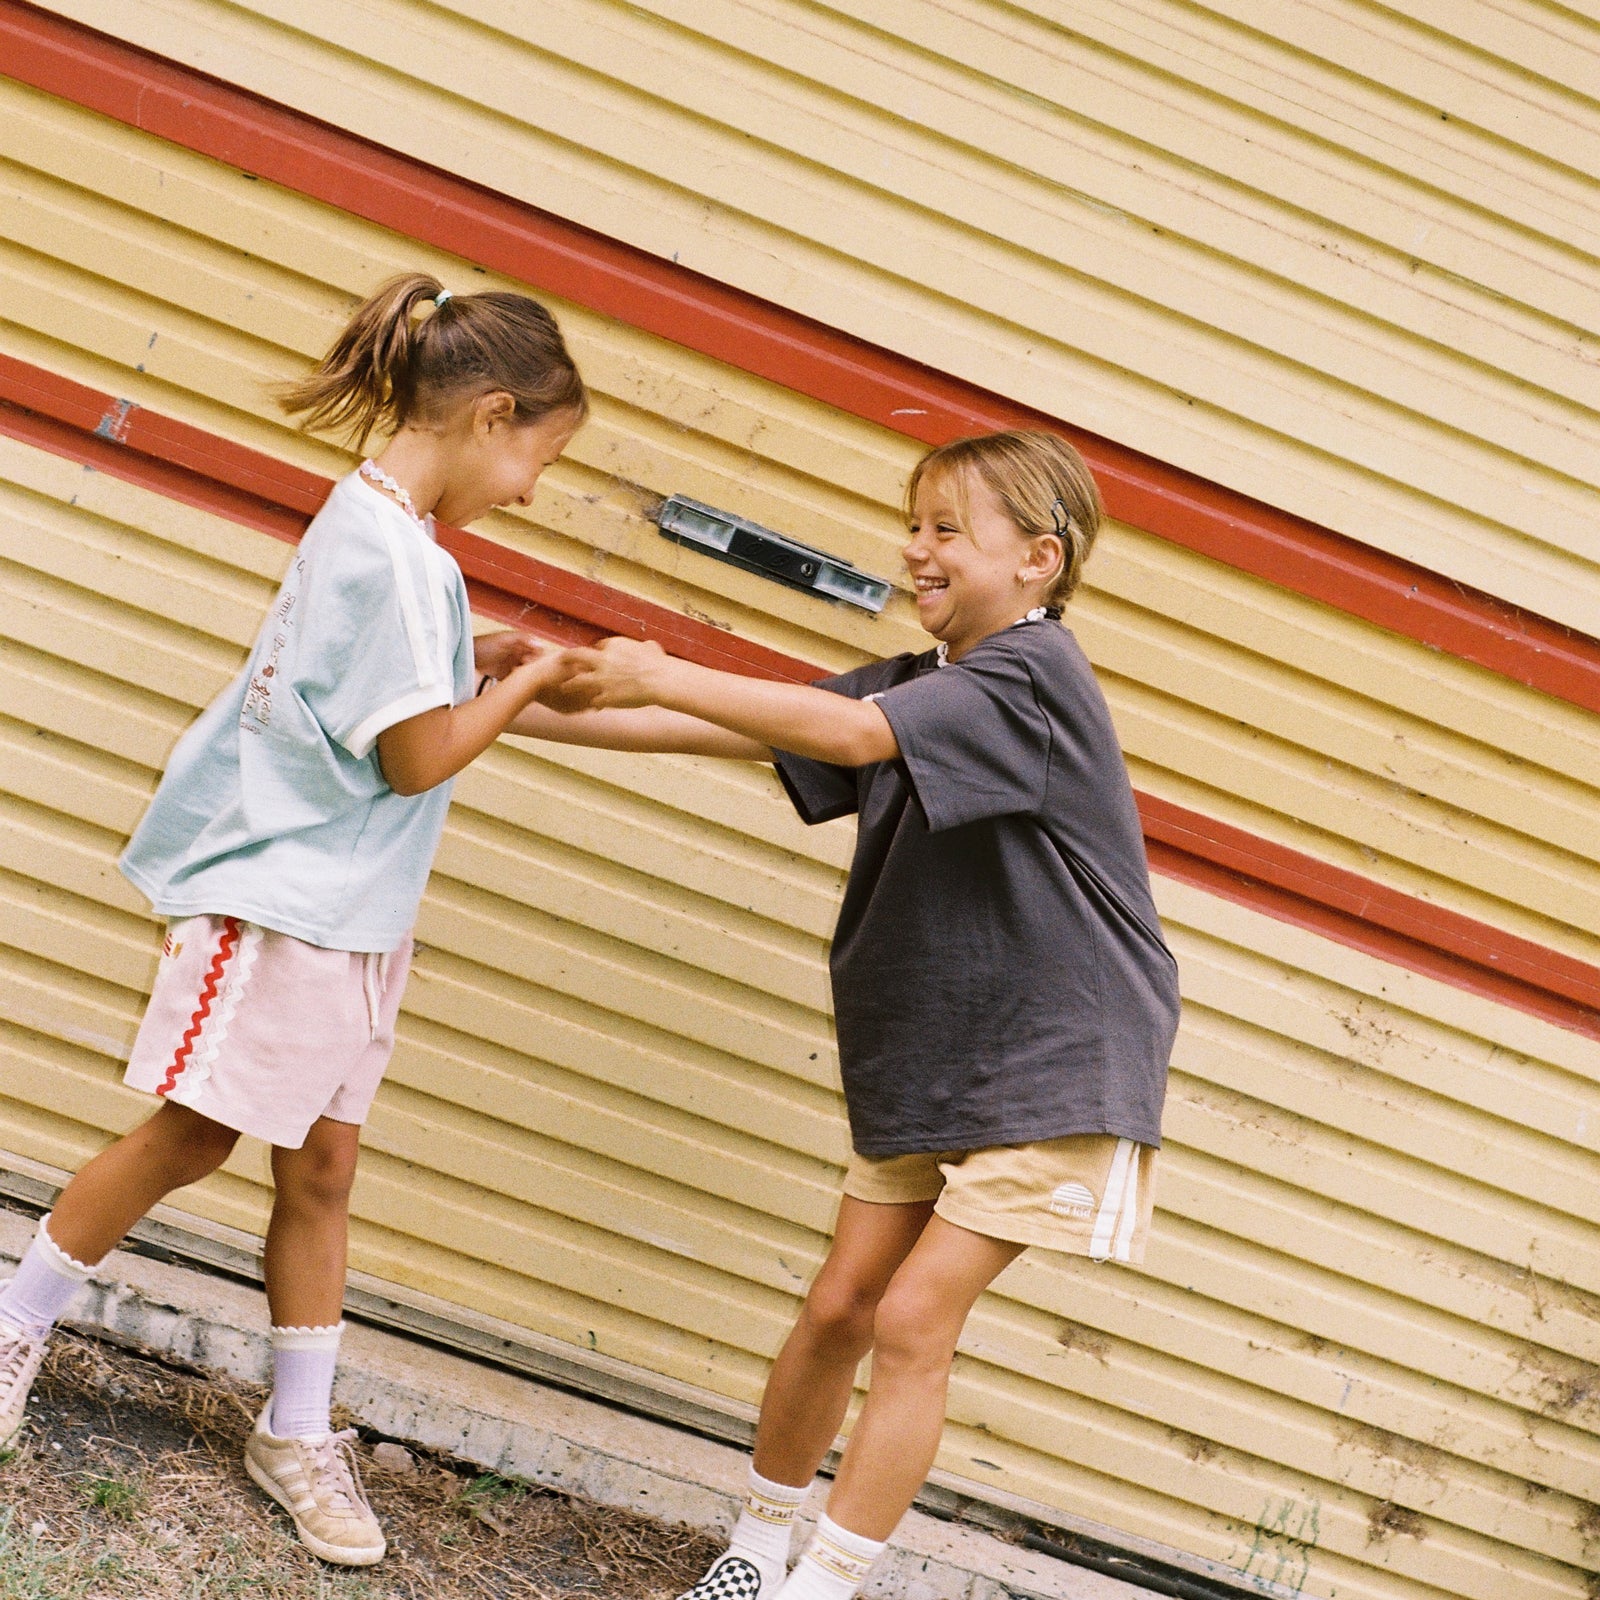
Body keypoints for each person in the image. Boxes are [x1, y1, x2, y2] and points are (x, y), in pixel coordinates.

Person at [512, 428, 1182, 1600]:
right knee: (840, 1306)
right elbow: (722, 726)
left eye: (946, 530)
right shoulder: (924, 681)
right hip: (939, 1059)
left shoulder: (1033, 675)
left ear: (1038, 558)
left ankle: (819, 1587)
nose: (915, 549)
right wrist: (510, 695)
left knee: (915, 1314)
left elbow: (849, 736)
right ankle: (756, 1549)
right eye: (912, 523)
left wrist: (661, 664)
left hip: (1062, 1058)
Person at [0, 273, 587, 1567]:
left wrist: (470, 656)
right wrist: (529, 677)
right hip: (286, 899)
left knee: (320, 1170)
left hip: (353, 913)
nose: (533, 488)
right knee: (194, 1134)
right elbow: (416, 758)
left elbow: (377, 696)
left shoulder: (390, 542)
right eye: (539, 455)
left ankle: (296, 1429)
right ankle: (15, 1317)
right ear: (493, 414)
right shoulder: (393, 554)